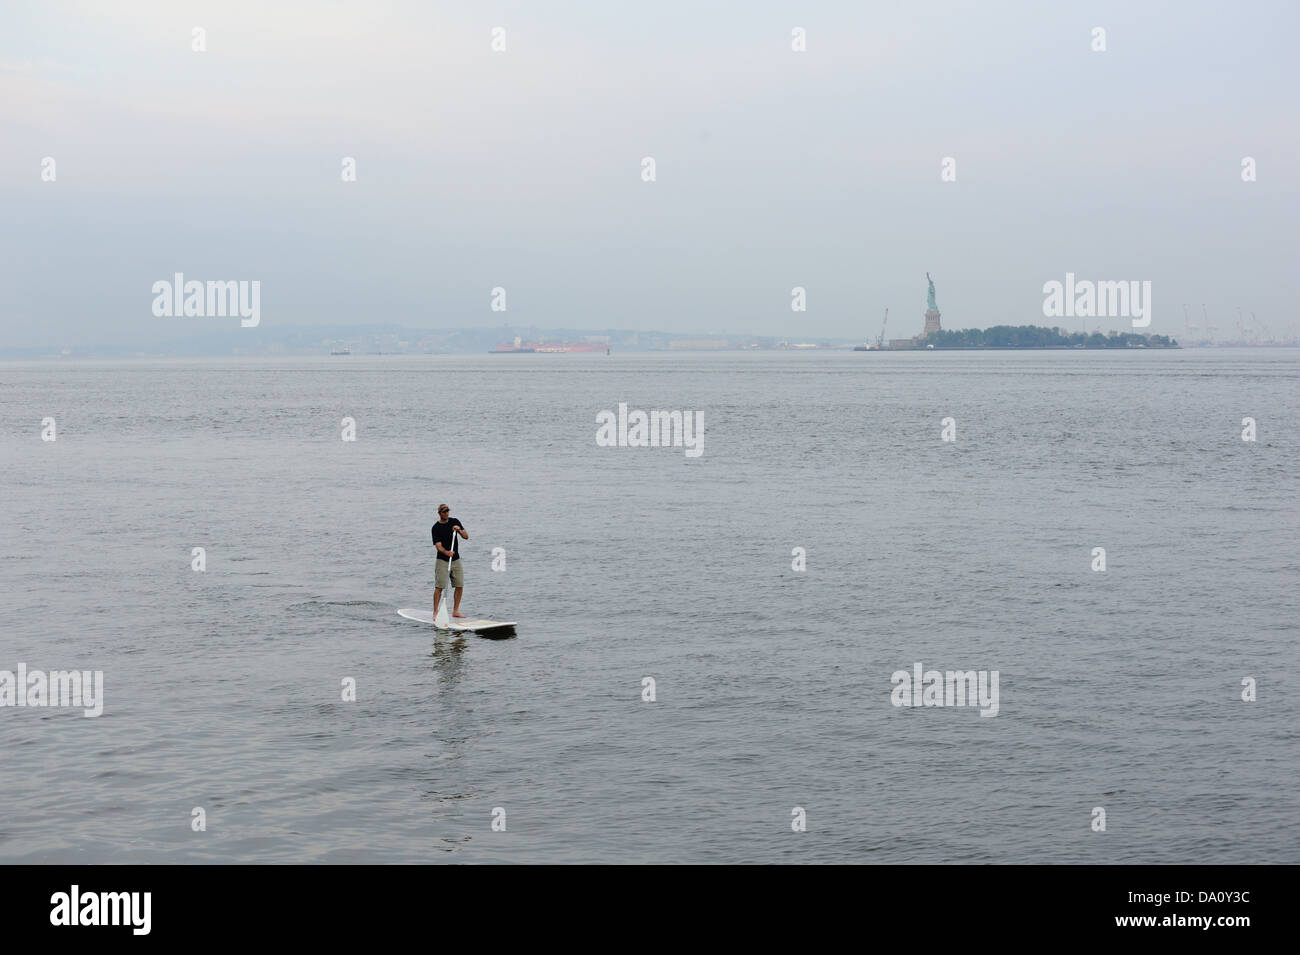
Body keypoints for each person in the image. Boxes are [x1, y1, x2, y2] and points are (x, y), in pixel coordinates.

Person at [432, 504, 468, 618]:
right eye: (444, 511)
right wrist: (447, 552)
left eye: (447, 511)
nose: (446, 513)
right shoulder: (436, 528)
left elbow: (466, 536)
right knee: (439, 587)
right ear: (439, 513)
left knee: (459, 585)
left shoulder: (454, 521)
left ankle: (455, 611)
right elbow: (438, 546)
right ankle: (435, 611)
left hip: (456, 560)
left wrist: (459, 531)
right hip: (442, 560)